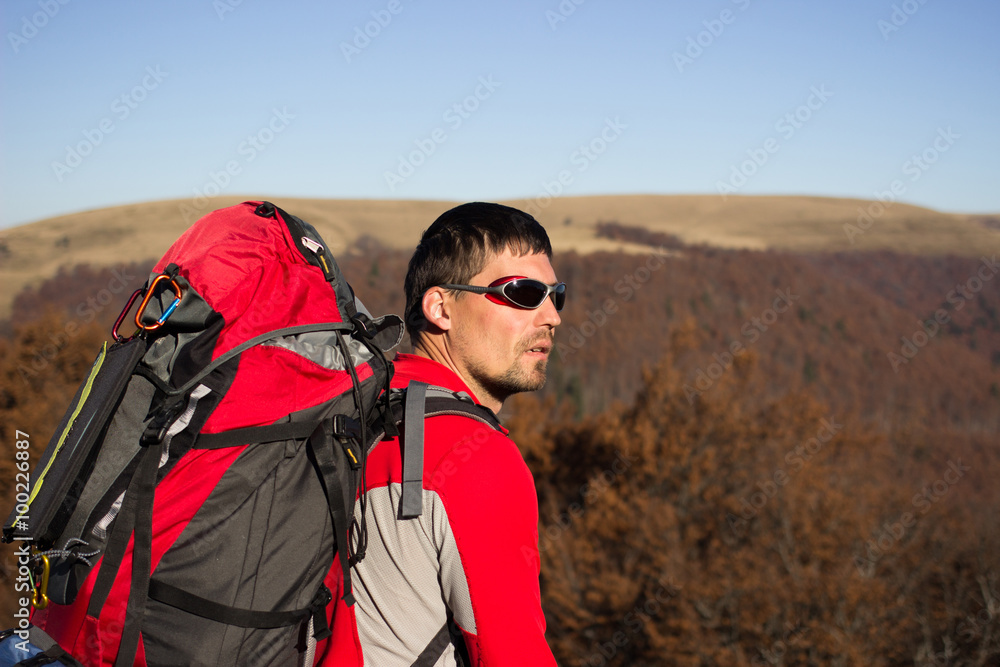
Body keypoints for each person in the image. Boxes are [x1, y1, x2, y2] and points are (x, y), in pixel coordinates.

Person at [314, 202, 563, 666]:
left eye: (555, 295)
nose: (552, 316)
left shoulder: (358, 415)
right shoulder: (476, 456)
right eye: (525, 293)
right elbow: (513, 654)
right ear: (441, 308)